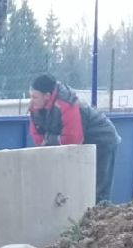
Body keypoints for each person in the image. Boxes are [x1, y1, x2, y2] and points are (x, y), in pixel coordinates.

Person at [28, 74, 121, 205]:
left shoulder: (67, 103)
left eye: (35, 97)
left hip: (103, 140)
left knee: (98, 188)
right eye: (30, 96)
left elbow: (72, 139)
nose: (31, 101)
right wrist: (53, 140)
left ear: (47, 96)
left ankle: (100, 216)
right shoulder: (36, 107)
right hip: (83, 142)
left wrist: (49, 138)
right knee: (76, 188)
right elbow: (37, 137)